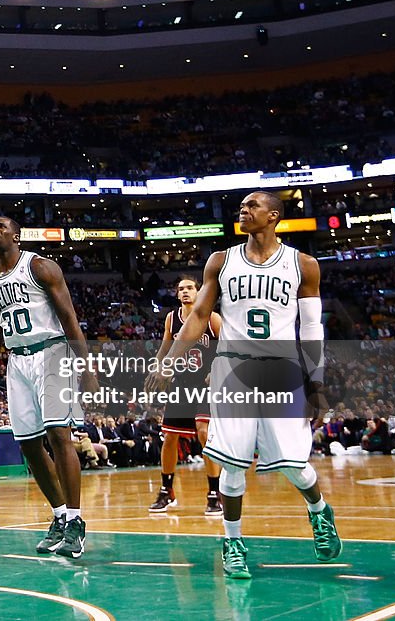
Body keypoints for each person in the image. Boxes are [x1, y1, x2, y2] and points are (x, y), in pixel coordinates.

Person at [146, 192, 340, 580]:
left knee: (295, 467)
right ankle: (232, 542)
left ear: (273, 216)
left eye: (253, 206)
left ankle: (319, 510)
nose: (244, 210)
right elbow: (199, 314)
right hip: (232, 370)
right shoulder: (221, 261)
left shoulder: (304, 265)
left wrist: (316, 381)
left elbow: (313, 327)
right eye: (242, 206)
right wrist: (167, 362)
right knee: (231, 464)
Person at [0, 216, 95, 559]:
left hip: (52, 351)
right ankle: (60, 515)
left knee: (58, 434)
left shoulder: (39, 267)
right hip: (17, 360)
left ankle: (77, 521)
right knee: (29, 445)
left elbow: (69, 319)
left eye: (1, 226)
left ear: (16, 235)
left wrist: (87, 367)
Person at [149, 276, 224, 516]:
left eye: (190, 288)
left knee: (204, 432)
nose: (185, 292)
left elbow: (229, 347)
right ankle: (166, 490)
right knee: (169, 437)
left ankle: (215, 493)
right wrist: (157, 368)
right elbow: (165, 347)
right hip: (181, 384)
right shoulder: (172, 319)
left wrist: (217, 369)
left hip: (206, 385)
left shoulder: (212, 319)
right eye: (180, 288)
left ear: (199, 291)